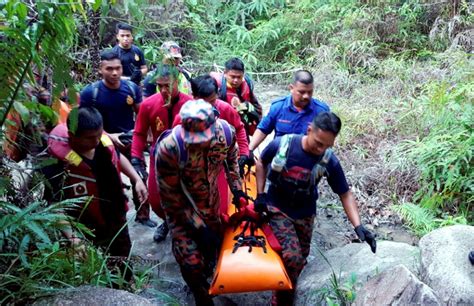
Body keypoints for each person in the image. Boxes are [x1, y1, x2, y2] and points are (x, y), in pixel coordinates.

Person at [254, 111, 377, 305]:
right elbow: (261, 162)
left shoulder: (329, 161)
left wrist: (358, 226)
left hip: (305, 214)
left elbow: (344, 193)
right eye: (318, 142)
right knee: (292, 257)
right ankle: (280, 300)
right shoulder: (283, 144)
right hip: (277, 208)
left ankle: (287, 292)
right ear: (309, 130)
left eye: (327, 145)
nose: (321, 149)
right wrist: (260, 194)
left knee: (300, 262)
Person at [155, 100, 246, 306]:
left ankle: (207, 277)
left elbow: (231, 158)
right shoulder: (170, 148)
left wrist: (237, 188)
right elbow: (170, 197)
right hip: (181, 212)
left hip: (212, 205)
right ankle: (201, 297)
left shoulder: (226, 133)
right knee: (191, 263)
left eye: (202, 138)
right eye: (193, 139)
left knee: (210, 253)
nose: (198, 143)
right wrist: (197, 226)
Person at [43, 106, 148, 281]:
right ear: (72, 136)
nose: (97, 141)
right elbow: (54, 205)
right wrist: (73, 239)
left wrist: (136, 179)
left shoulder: (100, 141)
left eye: (100, 135)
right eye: (90, 138)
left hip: (115, 215)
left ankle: (125, 286)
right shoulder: (56, 163)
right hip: (83, 227)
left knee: (122, 259)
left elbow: (116, 157)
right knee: (92, 270)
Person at [80, 49, 156, 227]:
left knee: (140, 175)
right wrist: (108, 136)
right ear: (101, 69)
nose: (114, 73)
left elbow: (142, 114)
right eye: (109, 69)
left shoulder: (131, 88)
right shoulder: (90, 93)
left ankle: (143, 214)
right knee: (107, 181)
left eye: (117, 68)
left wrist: (147, 135)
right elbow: (83, 122)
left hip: (129, 139)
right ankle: (111, 218)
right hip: (101, 143)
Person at [173, 74, 252, 216]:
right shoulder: (181, 119)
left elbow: (239, 129)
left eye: (212, 102)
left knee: (219, 212)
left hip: (217, 170)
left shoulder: (225, 110)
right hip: (191, 175)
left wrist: (244, 153)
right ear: (194, 98)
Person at [131, 64, 193, 242]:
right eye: (160, 86)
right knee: (157, 201)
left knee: (186, 197)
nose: (164, 90)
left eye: (168, 85)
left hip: (185, 159)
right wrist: (136, 159)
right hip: (158, 158)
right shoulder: (149, 104)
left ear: (177, 82)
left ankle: (182, 226)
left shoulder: (190, 104)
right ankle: (167, 222)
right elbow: (139, 133)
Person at [248, 69, 330, 153]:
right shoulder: (278, 107)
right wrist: (249, 151)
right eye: (302, 92)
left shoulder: (321, 112)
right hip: (279, 158)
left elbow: (327, 141)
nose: (306, 96)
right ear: (291, 88)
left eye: (310, 92)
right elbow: (263, 130)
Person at [210, 57, 262, 137]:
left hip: (243, 130)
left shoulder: (247, 85)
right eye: (233, 76)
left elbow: (257, 107)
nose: (236, 80)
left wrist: (249, 109)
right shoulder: (216, 87)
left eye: (239, 77)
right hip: (224, 131)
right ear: (225, 73)